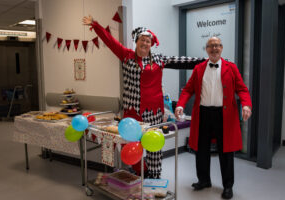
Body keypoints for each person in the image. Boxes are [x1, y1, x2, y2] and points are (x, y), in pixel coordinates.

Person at [83, 15, 204, 179]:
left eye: (148, 41)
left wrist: (205, 61)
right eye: (142, 40)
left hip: (153, 111)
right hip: (132, 112)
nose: (145, 43)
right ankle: (142, 170)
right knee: (129, 143)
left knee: (153, 145)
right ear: (136, 41)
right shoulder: (126, 55)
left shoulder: (159, 59)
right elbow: (109, 41)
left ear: (151, 44)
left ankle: (154, 175)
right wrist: (95, 25)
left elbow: (182, 61)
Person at [175, 37, 252, 199]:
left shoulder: (231, 68)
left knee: (226, 151)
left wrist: (246, 105)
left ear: (221, 48)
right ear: (206, 49)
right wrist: (181, 104)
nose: (214, 48)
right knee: (201, 149)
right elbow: (188, 89)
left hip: (224, 115)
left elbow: (242, 89)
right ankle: (203, 180)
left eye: (217, 45)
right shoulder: (198, 69)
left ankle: (228, 186)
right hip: (203, 114)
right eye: (211, 46)